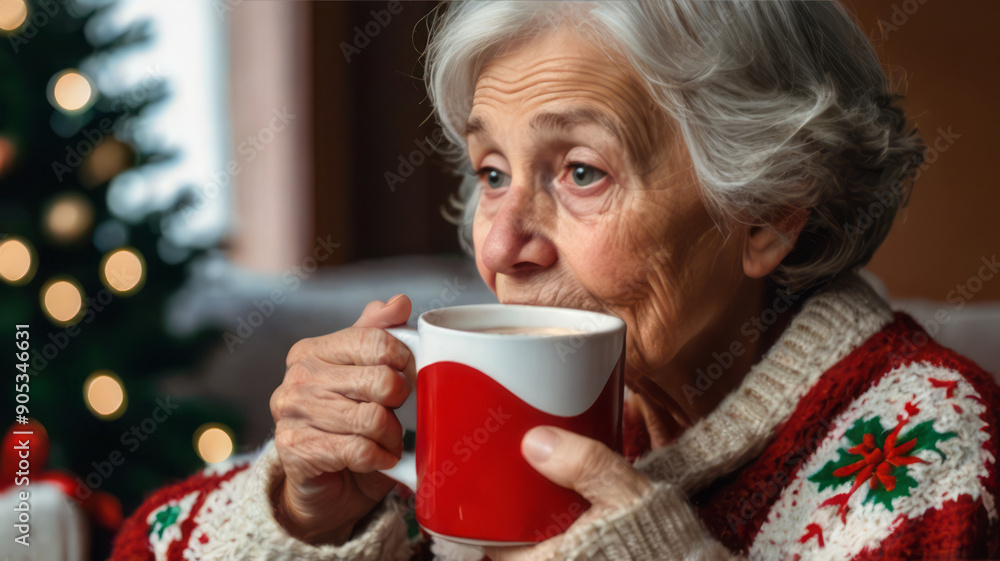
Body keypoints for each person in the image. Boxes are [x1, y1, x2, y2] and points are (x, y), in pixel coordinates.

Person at [110, 1, 1000, 559]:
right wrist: (310, 517)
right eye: (492, 171)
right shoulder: (460, 429)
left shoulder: (928, 448)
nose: (498, 244)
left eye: (581, 171)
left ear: (767, 213)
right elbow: (140, 549)